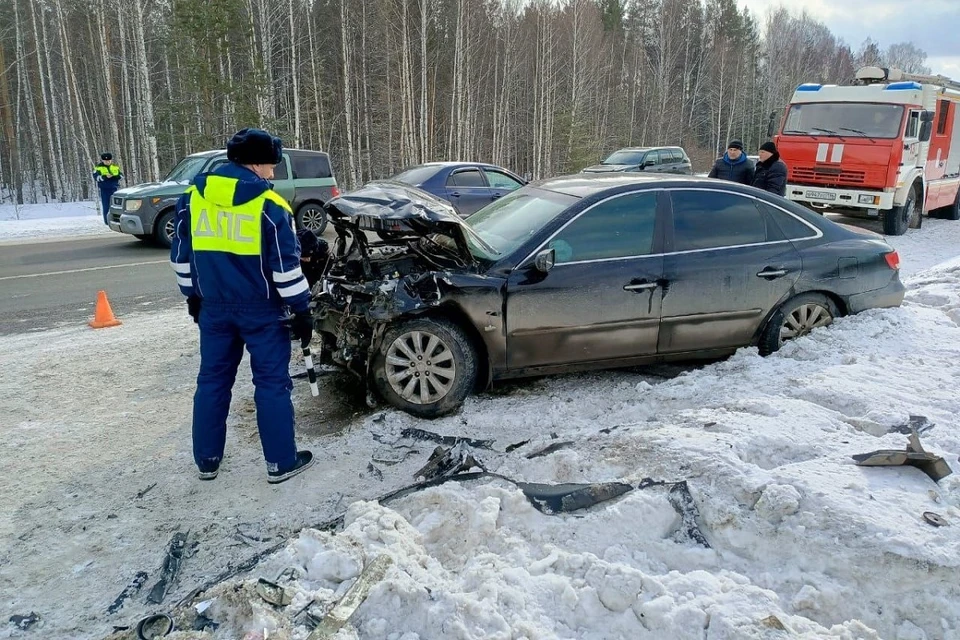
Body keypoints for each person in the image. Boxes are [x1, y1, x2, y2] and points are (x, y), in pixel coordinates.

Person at [170, 128, 315, 484]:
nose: (272, 172)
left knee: (212, 382)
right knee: (271, 385)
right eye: (271, 164)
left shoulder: (192, 198)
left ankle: (207, 461)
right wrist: (301, 310)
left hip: (214, 310)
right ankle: (281, 462)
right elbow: (285, 267)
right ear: (256, 162)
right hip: (263, 312)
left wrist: (192, 297)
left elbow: (181, 256)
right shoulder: (270, 206)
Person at [93, 152, 123, 225]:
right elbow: (96, 178)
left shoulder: (115, 167)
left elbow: (121, 176)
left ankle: (117, 220)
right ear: (102, 160)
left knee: (116, 206)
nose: (108, 162)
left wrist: (116, 176)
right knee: (106, 206)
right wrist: (105, 177)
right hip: (105, 189)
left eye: (109, 160)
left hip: (114, 189)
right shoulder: (98, 168)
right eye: (106, 161)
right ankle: (107, 221)